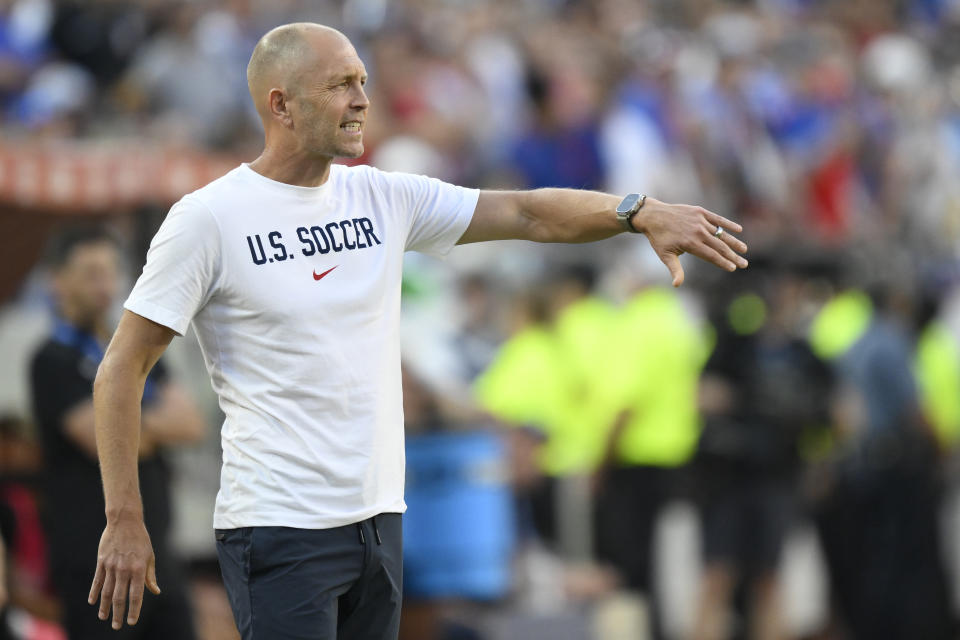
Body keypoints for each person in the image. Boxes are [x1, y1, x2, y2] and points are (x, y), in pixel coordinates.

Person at [87, 22, 748, 640]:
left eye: (364, 82)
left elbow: (526, 213)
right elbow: (122, 368)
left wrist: (635, 210)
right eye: (341, 84)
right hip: (280, 524)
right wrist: (124, 518)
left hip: (380, 521)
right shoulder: (209, 220)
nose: (361, 100)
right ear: (281, 105)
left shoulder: (381, 197)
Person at [29, 227, 205, 639]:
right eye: (91, 273)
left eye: (111, 273)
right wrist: (146, 422)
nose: (105, 286)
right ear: (58, 280)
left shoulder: (131, 351)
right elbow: (97, 440)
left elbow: (191, 423)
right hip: (98, 566)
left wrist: (120, 419)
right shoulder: (52, 360)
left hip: (159, 554)